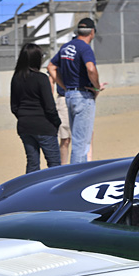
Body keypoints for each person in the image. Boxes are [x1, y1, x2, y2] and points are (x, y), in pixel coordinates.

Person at [47, 17, 105, 165]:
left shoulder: (66, 46)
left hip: (70, 95)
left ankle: (78, 172)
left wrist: (65, 86)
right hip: (83, 96)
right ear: (92, 32)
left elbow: (51, 67)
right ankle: (77, 176)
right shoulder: (85, 48)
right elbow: (91, 68)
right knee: (82, 142)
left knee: (78, 138)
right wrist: (96, 86)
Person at [10, 43, 61, 173]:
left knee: (32, 164)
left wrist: (24, 117)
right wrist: (56, 122)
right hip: (44, 126)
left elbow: (14, 107)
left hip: (25, 126)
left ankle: (31, 191)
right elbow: (50, 107)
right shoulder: (41, 79)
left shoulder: (16, 78)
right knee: (54, 164)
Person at [54, 84, 71, 164]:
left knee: (83, 138)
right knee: (65, 139)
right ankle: (63, 167)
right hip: (64, 98)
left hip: (81, 95)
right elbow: (51, 80)